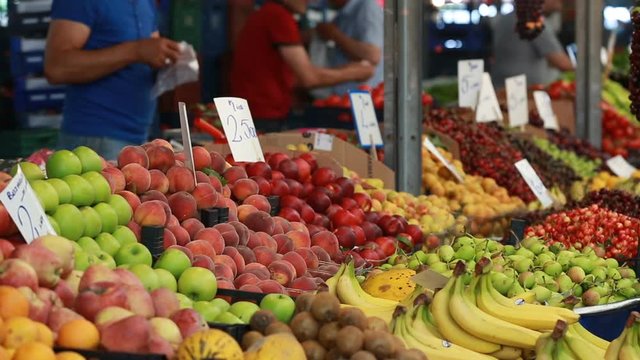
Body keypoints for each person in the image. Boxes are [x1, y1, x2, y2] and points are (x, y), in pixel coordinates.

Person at [44, 0, 181, 160]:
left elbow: (149, 51)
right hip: (95, 140)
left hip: (139, 137)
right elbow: (56, 67)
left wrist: (167, 62)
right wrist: (136, 50)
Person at [230, 0, 374, 132]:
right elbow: (309, 78)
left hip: (256, 112)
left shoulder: (267, 14)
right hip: (264, 115)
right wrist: (356, 72)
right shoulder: (278, 16)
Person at [490, 0, 574, 88]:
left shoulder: (506, 18)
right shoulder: (532, 19)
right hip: (524, 91)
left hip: (501, 87)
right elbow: (562, 63)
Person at [315, 0, 384, 95]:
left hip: (362, 98)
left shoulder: (366, 7)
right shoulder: (343, 13)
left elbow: (373, 55)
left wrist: (334, 35)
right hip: (343, 96)